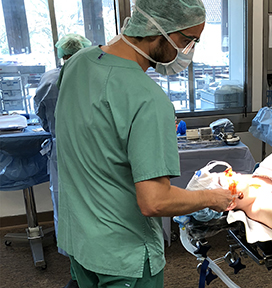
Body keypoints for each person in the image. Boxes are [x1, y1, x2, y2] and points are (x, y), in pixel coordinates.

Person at [54, 1, 233, 287]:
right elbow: (155, 201)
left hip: (80, 241)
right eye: (187, 41)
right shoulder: (147, 98)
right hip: (125, 256)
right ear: (158, 29)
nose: (189, 51)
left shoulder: (77, 62)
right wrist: (213, 198)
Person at [33, 33, 92, 288]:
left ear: (61, 54)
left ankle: (74, 260)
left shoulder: (49, 79)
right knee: (93, 202)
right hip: (94, 150)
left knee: (64, 204)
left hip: (61, 152)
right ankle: (92, 258)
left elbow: (41, 115)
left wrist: (54, 128)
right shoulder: (94, 76)